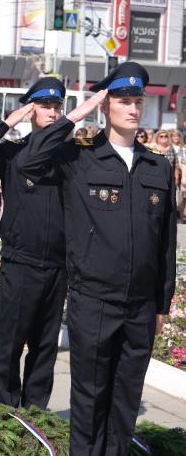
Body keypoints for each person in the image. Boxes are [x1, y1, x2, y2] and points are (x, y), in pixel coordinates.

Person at [17, 62, 176, 456]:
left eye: (137, 101)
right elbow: (28, 162)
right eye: (123, 100)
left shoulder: (157, 166)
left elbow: (166, 242)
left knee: (125, 401)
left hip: (140, 306)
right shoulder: (79, 158)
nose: (133, 109)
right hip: (94, 300)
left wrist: (161, 302)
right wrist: (74, 116)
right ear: (106, 106)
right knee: (88, 400)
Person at [0, 77, 67, 410]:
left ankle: (36, 411)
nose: (52, 113)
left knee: (45, 345)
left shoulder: (70, 155)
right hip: (21, 262)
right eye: (44, 106)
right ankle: (7, 412)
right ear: (31, 109)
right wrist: (10, 120)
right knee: (10, 343)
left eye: (56, 107)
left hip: (58, 264)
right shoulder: (12, 151)